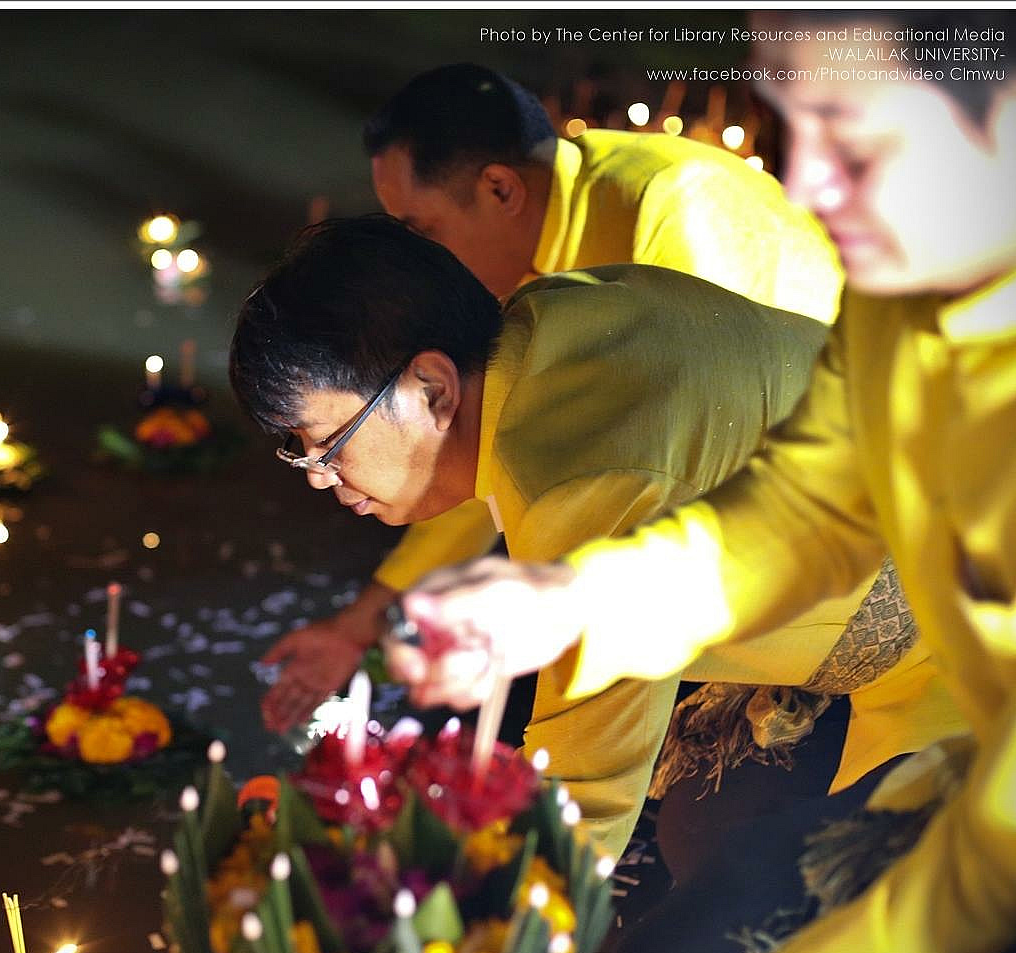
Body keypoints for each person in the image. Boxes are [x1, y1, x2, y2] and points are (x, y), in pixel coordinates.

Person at [385, 9, 1016, 953]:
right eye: (796, 133)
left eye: (852, 140)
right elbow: (782, 514)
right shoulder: (902, 315)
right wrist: (572, 601)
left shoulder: (678, 222)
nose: (798, 189)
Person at [229, 214, 963, 855]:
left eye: (327, 445)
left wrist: (476, 931)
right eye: (302, 453)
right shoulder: (547, 327)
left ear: (431, 389)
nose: (319, 477)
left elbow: (585, 786)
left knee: (784, 901)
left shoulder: (577, 478)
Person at [260, 62, 845, 735]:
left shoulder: (675, 212)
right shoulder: (517, 264)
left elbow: (659, 479)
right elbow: (469, 455)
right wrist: (358, 626)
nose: (418, 265)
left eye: (422, 233)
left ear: (499, 188)